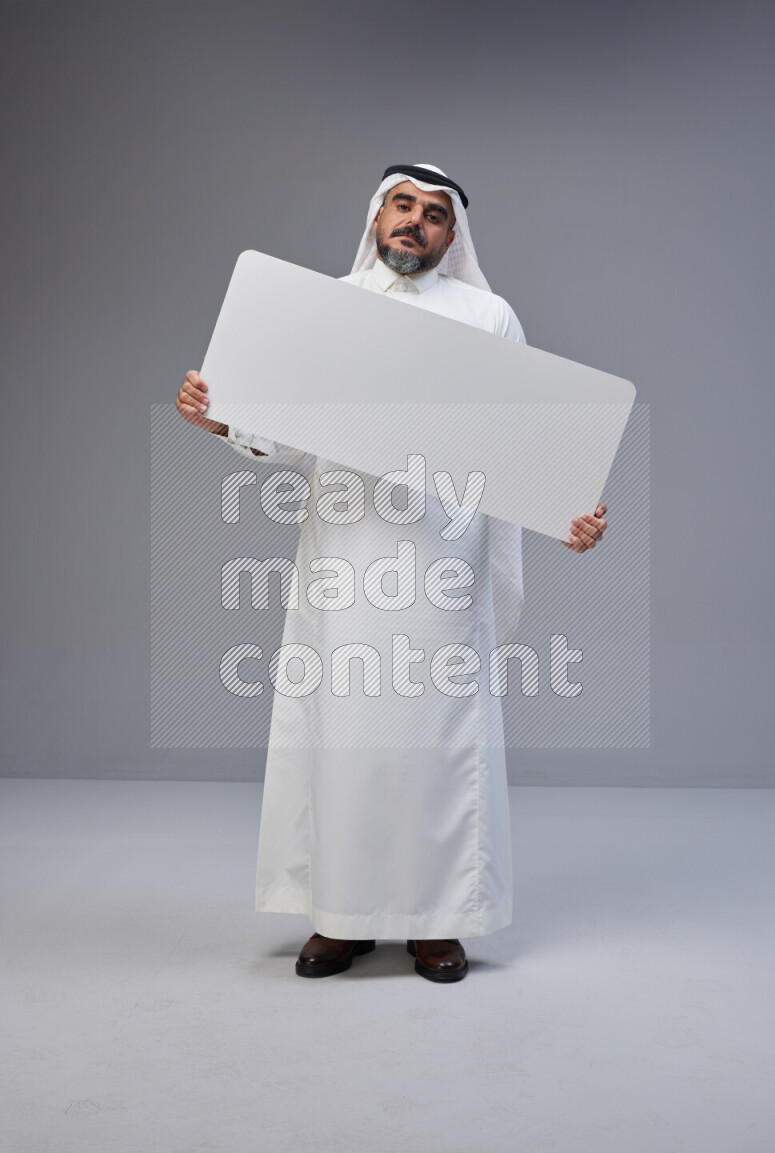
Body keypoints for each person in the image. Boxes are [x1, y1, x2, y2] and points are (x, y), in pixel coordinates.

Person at [175, 163, 607, 983]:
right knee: (344, 737)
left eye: (435, 214)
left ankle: (437, 921)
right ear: (377, 218)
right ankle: (340, 917)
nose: (416, 222)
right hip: (347, 552)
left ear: (454, 236)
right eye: (402, 206)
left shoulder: (489, 315)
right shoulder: (328, 310)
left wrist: (569, 513)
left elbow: (528, 441)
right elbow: (284, 429)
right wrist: (222, 415)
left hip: (443, 558)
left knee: (437, 742)